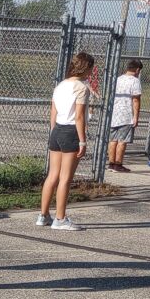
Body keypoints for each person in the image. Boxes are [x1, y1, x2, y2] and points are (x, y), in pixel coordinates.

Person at [37, 51, 93, 231]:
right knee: (65, 178)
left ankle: (43, 215)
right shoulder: (81, 88)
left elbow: (53, 111)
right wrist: (83, 141)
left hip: (57, 130)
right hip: (70, 132)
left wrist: (54, 131)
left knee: (52, 175)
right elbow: (79, 117)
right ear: (86, 68)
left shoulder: (60, 85)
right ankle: (60, 219)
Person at [107, 59, 143, 172]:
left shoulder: (118, 79)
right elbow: (136, 100)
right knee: (122, 141)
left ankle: (111, 163)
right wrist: (136, 116)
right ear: (137, 69)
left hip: (114, 114)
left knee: (113, 140)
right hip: (126, 115)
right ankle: (118, 164)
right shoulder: (135, 81)